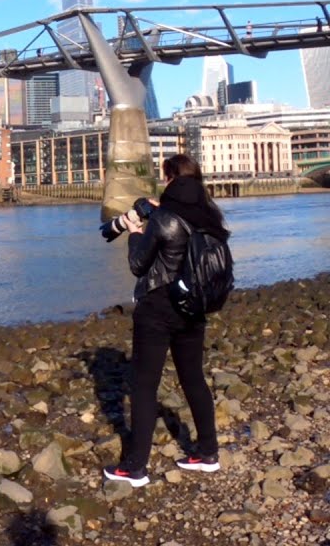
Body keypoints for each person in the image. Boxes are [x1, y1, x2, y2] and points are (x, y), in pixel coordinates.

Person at [103, 154, 230, 487]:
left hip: (158, 309)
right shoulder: (210, 215)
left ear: (171, 177)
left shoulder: (165, 218)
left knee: (144, 386)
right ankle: (207, 454)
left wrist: (134, 232)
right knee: (194, 380)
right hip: (194, 307)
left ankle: (135, 468)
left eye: (166, 177)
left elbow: (138, 265)